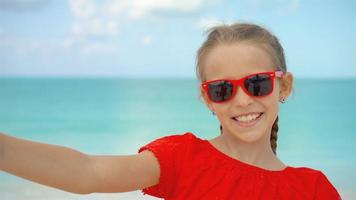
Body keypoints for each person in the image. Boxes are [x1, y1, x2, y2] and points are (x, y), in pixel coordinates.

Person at [0, 22, 341, 199]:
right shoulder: (184, 159)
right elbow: (87, 172)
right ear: (207, 99)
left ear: (283, 86)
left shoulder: (314, 189)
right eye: (222, 89)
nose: (242, 100)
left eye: (256, 83)